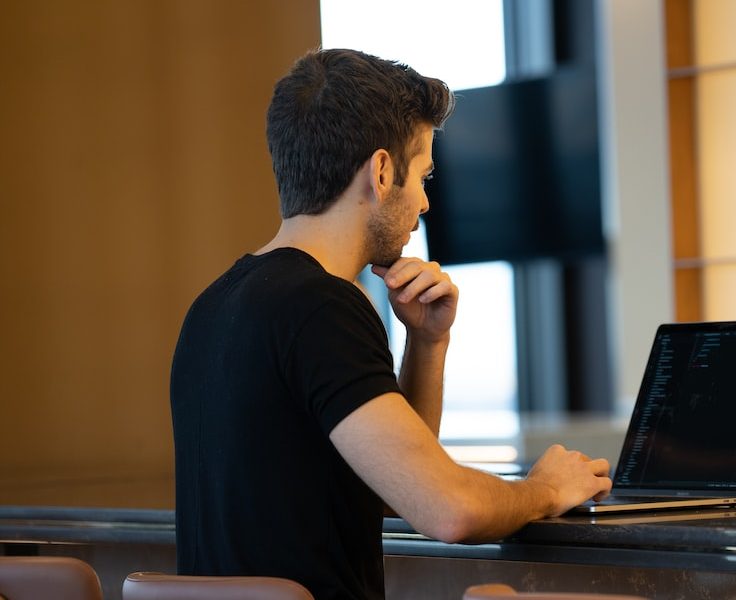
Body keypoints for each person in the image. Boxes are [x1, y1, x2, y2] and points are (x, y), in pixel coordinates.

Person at [169, 48, 612, 600]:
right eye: (423, 175)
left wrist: (426, 342)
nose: (425, 201)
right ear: (381, 171)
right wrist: (544, 490)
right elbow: (450, 511)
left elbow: (391, 487)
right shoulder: (321, 307)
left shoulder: (213, 306)